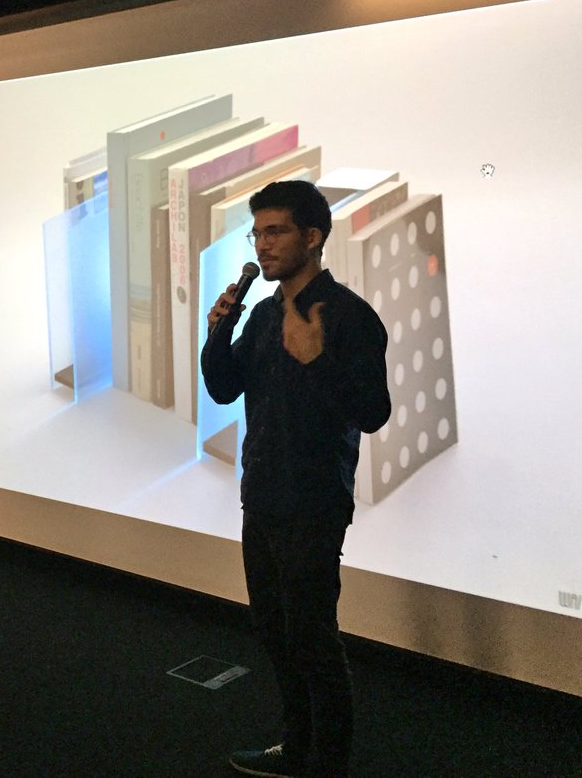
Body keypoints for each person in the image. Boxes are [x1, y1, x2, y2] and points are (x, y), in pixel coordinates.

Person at [200, 180, 390, 778]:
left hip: (314, 502)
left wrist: (320, 359)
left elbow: (374, 412)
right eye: (257, 233)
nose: (263, 244)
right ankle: (296, 747)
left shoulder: (350, 317)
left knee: (312, 636)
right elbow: (223, 388)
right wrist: (217, 334)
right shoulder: (261, 314)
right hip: (261, 497)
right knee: (275, 632)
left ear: (312, 237)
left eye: (275, 231)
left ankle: (328, 762)